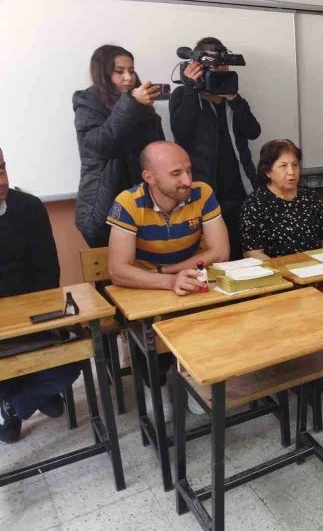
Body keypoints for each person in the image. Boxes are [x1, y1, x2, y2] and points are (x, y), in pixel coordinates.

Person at [107, 141, 230, 421]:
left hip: (184, 276)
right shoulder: (128, 202)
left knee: (212, 320)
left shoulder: (202, 193)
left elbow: (221, 252)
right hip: (145, 286)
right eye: (176, 173)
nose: (187, 180)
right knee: (149, 331)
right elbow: (118, 270)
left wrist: (169, 272)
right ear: (149, 177)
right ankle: (156, 384)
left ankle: (195, 375)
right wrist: (167, 281)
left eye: (188, 170)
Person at [0, 148, 80, 444]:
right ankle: (21, 397)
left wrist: (34, 319)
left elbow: (48, 270)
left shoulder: (29, 207)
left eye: (2, 168)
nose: (2, 180)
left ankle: (16, 405)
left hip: (34, 317)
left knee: (74, 358)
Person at [170, 36, 261, 260]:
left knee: (245, 256)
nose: (220, 70)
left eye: (224, 64)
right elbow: (181, 133)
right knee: (215, 258)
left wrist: (233, 97)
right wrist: (191, 89)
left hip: (241, 192)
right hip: (205, 194)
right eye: (214, 65)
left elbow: (253, 131)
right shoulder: (184, 95)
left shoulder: (234, 99)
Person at [73, 45, 165, 248]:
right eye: (119, 71)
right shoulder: (87, 102)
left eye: (131, 70)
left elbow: (157, 150)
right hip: (103, 208)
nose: (128, 77)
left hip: (144, 203)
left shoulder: (139, 103)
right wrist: (132, 103)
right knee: (115, 266)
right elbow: (101, 144)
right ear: (103, 74)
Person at [240, 139, 323, 258]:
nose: (291, 172)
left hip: (316, 265)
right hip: (277, 267)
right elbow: (253, 253)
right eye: (283, 166)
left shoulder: (310, 196)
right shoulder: (255, 203)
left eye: (295, 165)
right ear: (267, 171)